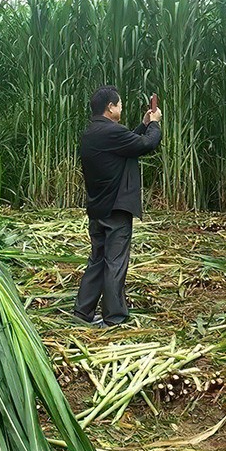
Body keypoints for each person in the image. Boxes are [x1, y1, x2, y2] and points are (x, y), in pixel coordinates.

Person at [73, 85, 162, 327]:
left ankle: (83, 313)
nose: (121, 108)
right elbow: (146, 145)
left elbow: (127, 145)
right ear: (110, 107)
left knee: (98, 260)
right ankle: (114, 318)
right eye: (120, 104)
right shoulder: (111, 132)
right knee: (115, 262)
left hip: (99, 208)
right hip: (116, 208)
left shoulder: (93, 132)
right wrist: (154, 123)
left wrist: (143, 125)